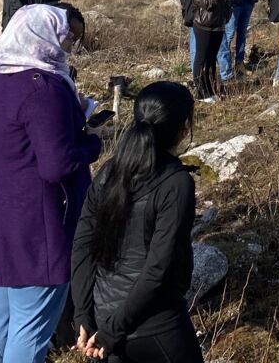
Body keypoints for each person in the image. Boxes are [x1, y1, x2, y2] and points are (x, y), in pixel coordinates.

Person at [0, 4, 100, 363]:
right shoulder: (46, 87)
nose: (68, 44)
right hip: (34, 224)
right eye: (63, 36)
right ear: (44, 36)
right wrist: (90, 141)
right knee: (31, 322)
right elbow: (57, 165)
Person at [71, 82, 202, 363]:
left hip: (102, 318)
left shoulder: (109, 171)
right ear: (183, 128)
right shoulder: (176, 184)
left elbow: (82, 244)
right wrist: (111, 330)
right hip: (154, 325)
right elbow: (158, 270)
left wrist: (83, 314)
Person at [190, 0, 234, 103]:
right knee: (201, 59)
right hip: (204, 26)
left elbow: (225, 1)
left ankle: (211, 90)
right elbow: (206, 3)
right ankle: (201, 93)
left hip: (218, 25)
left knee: (211, 60)